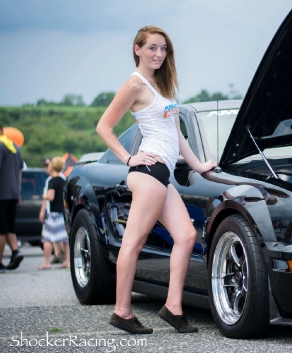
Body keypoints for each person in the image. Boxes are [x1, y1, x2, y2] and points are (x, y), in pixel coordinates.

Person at [96, 26, 216, 334]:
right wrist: (129, 158)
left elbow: (177, 135)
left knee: (187, 236)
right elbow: (104, 127)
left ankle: (173, 308)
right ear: (137, 49)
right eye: (152, 48)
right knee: (133, 242)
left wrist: (200, 166)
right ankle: (122, 312)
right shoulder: (134, 84)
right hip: (147, 173)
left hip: (162, 176)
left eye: (163, 49)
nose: (159, 54)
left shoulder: (161, 87)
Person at [0, 122, 25, 273]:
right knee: (9, 226)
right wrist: (18, 191)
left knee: (1, 229)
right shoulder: (14, 146)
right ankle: (16, 251)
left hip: (1, 193)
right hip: (13, 193)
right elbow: (20, 171)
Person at [38, 157, 68, 270]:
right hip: (62, 212)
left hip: (53, 213)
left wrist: (44, 196)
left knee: (47, 238)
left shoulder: (52, 180)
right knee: (65, 238)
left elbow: (50, 196)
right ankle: (67, 261)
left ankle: (47, 263)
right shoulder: (64, 179)